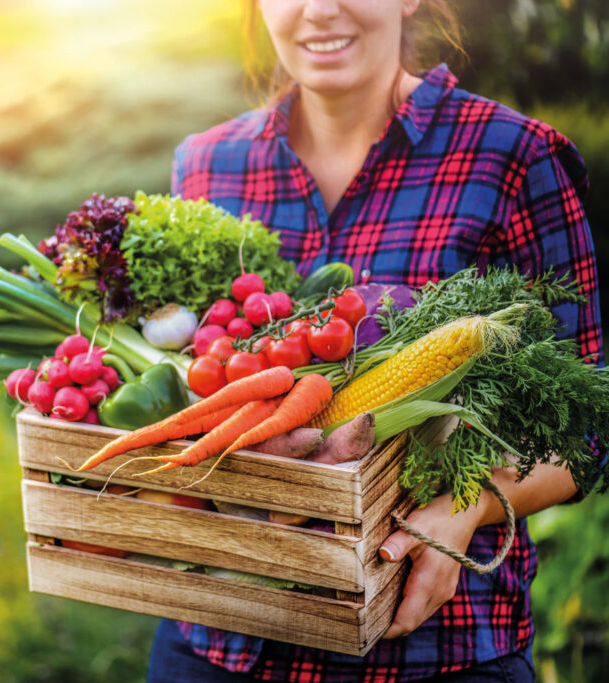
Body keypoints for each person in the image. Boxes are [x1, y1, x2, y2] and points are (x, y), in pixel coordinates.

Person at [148, 1, 603, 681]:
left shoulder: (513, 157)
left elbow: (587, 431)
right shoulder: (209, 165)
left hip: (431, 650)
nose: (320, 10)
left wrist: (465, 506)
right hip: (221, 641)